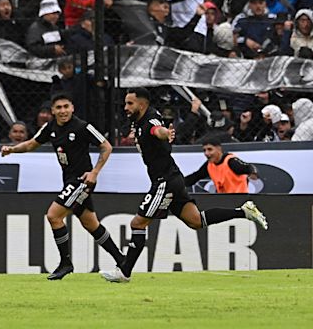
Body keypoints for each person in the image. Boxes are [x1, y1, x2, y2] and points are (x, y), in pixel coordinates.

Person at [99, 88, 268, 283]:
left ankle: (124, 272)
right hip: (173, 178)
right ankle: (244, 212)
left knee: (138, 223)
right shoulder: (141, 119)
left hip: (165, 181)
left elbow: (157, 130)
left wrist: (164, 134)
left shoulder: (149, 121)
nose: (126, 107)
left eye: (130, 103)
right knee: (195, 221)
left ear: (142, 104)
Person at [1, 92, 125, 280]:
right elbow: (31, 145)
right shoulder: (49, 127)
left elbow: (106, 146)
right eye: (58, 108)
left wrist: (94, 172)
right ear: (52, 111)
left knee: (53, 215)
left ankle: (65, 263)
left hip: (82, 181)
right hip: (69, 181)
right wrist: (11, 150)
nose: (63, 111)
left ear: (72, 108)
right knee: (91, 224)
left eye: (66, 106)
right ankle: (122, 260)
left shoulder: (83, 127)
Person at [184, 137, 258, 193]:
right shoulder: (209, 165)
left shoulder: (230, 161)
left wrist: (253, 173)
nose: (206, 153)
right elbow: (196, 176)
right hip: (223, 200)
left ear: (219, 149)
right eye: (204, 150)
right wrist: (179, 183)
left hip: (239, 199)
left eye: (210, 149)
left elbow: (247, 167)